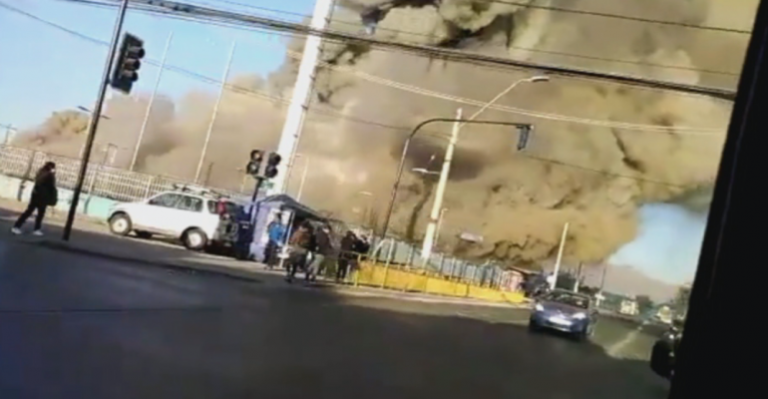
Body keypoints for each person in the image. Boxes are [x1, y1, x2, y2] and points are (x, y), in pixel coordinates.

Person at [12, 161, 58, 236]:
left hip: (39, 196)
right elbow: (48, 185)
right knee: (31, 212)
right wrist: (51, 175)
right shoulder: (46, 174)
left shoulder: (43, 172)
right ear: (50, 167)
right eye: (53, 168)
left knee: (37, 213)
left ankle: (34, 229)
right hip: (40, 197)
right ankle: (18, 227)